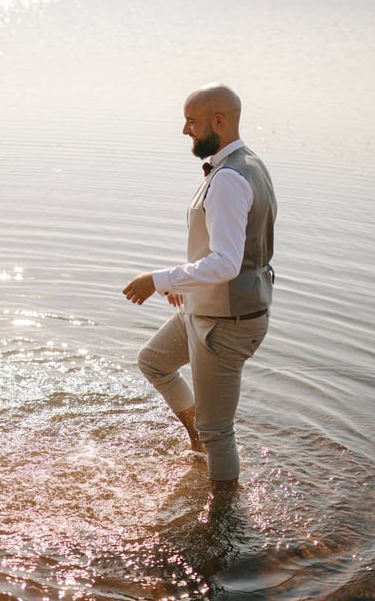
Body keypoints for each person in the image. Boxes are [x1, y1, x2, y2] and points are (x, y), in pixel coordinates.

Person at [122, 83, 276, 486]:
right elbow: (225, 253)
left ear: (218, 121)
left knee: (219, 431)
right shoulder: (248, 164)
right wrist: (186, 282)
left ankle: (220, 528)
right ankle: (197, 441)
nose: (185, 130)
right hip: (207, 308)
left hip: (226, 323)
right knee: (154, 361)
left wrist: (157, 280)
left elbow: (226, 263)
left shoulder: (229, 179)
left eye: (191, 121)